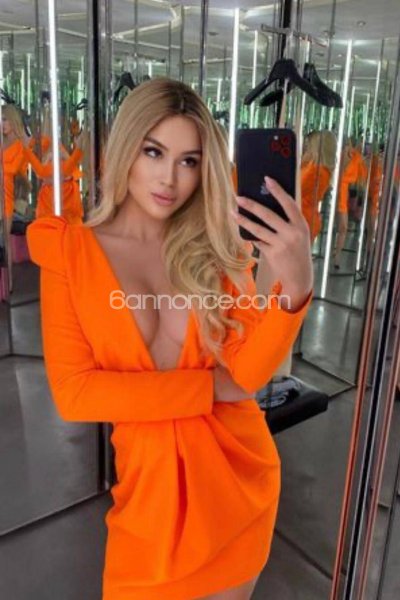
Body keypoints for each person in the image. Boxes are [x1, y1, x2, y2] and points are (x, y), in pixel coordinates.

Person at [26, 78, 313, 600]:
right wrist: (208, 389)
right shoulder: (70, 252)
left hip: (237, 487)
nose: (169, 178)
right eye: (154, 151)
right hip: (146, 504)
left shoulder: (216, 250)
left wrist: (294, 291)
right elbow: (76, 393)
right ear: (126, 148)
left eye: (189, 161)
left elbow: (248, 376)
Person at [22, 132, 85, 224]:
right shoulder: (61, 168)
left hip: (60, 207)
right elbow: (41, 171)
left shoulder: (62, 168)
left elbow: (40, 170)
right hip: (55, 207)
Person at [0, 104, 28, 290]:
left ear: (12, 121)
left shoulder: (19, 145)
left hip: (8, 198)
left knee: (6, 242)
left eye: (5, 119)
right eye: (1, 120)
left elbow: (14, 169)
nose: (2, 124)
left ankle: (8, 282)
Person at [334, 139, 367, 269]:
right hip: (337, 193)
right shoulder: (342, 157)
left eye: (348, 144)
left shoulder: (356, 158)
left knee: (342, 228)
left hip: (344, 194)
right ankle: (336, 255)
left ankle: (337, 255)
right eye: (346, 144)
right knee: (341, 227)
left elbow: (361, 179)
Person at [301, 129, 337, 243]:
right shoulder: (313, 166)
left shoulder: (318, 171)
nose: (306, 147)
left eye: (309, 144)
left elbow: (296, 189)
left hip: (303, 220)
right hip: (303, 218)